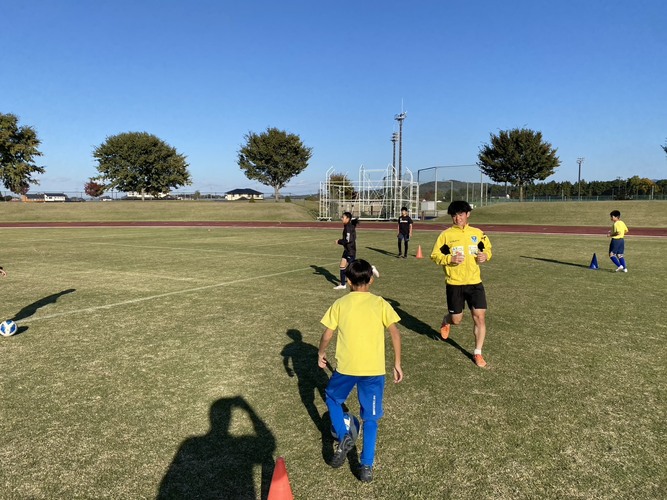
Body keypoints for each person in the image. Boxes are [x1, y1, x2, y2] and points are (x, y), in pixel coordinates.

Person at [318, 259, 403, 483]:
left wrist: (321, 353)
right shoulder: (380, 303)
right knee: (371, 418)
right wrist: (397, 363)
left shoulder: (340, 303)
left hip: (347, 367)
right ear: (371, 280)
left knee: (332, 398)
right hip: (374, 369)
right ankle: (366, 466)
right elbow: (395, 333)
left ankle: (343, 435)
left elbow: (328, 334)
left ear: (348, 281)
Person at [430, 200, 492, 368]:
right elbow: (435, 255)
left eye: (460, 215)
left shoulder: (478, 233)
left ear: (467, 214)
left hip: (475, 282)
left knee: (480, 317)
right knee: (456, 320)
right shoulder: (446, 236)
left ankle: (478, 353)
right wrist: (450, 258)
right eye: (454, 215)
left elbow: (487, 248)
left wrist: (485, 256)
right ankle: (446, 320)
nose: (457, 218)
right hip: (454, 283)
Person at [333, 212, 378, 289]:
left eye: (343, 217)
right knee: (342, 266)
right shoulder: (349, 226)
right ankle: (343, 284)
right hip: (347, 249)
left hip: (350, 250)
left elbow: (347, 240)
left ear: (348, 219)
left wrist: (339, 241)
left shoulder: (348, 228)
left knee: (353, 267)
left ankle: (371, 268)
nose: (341, 219)